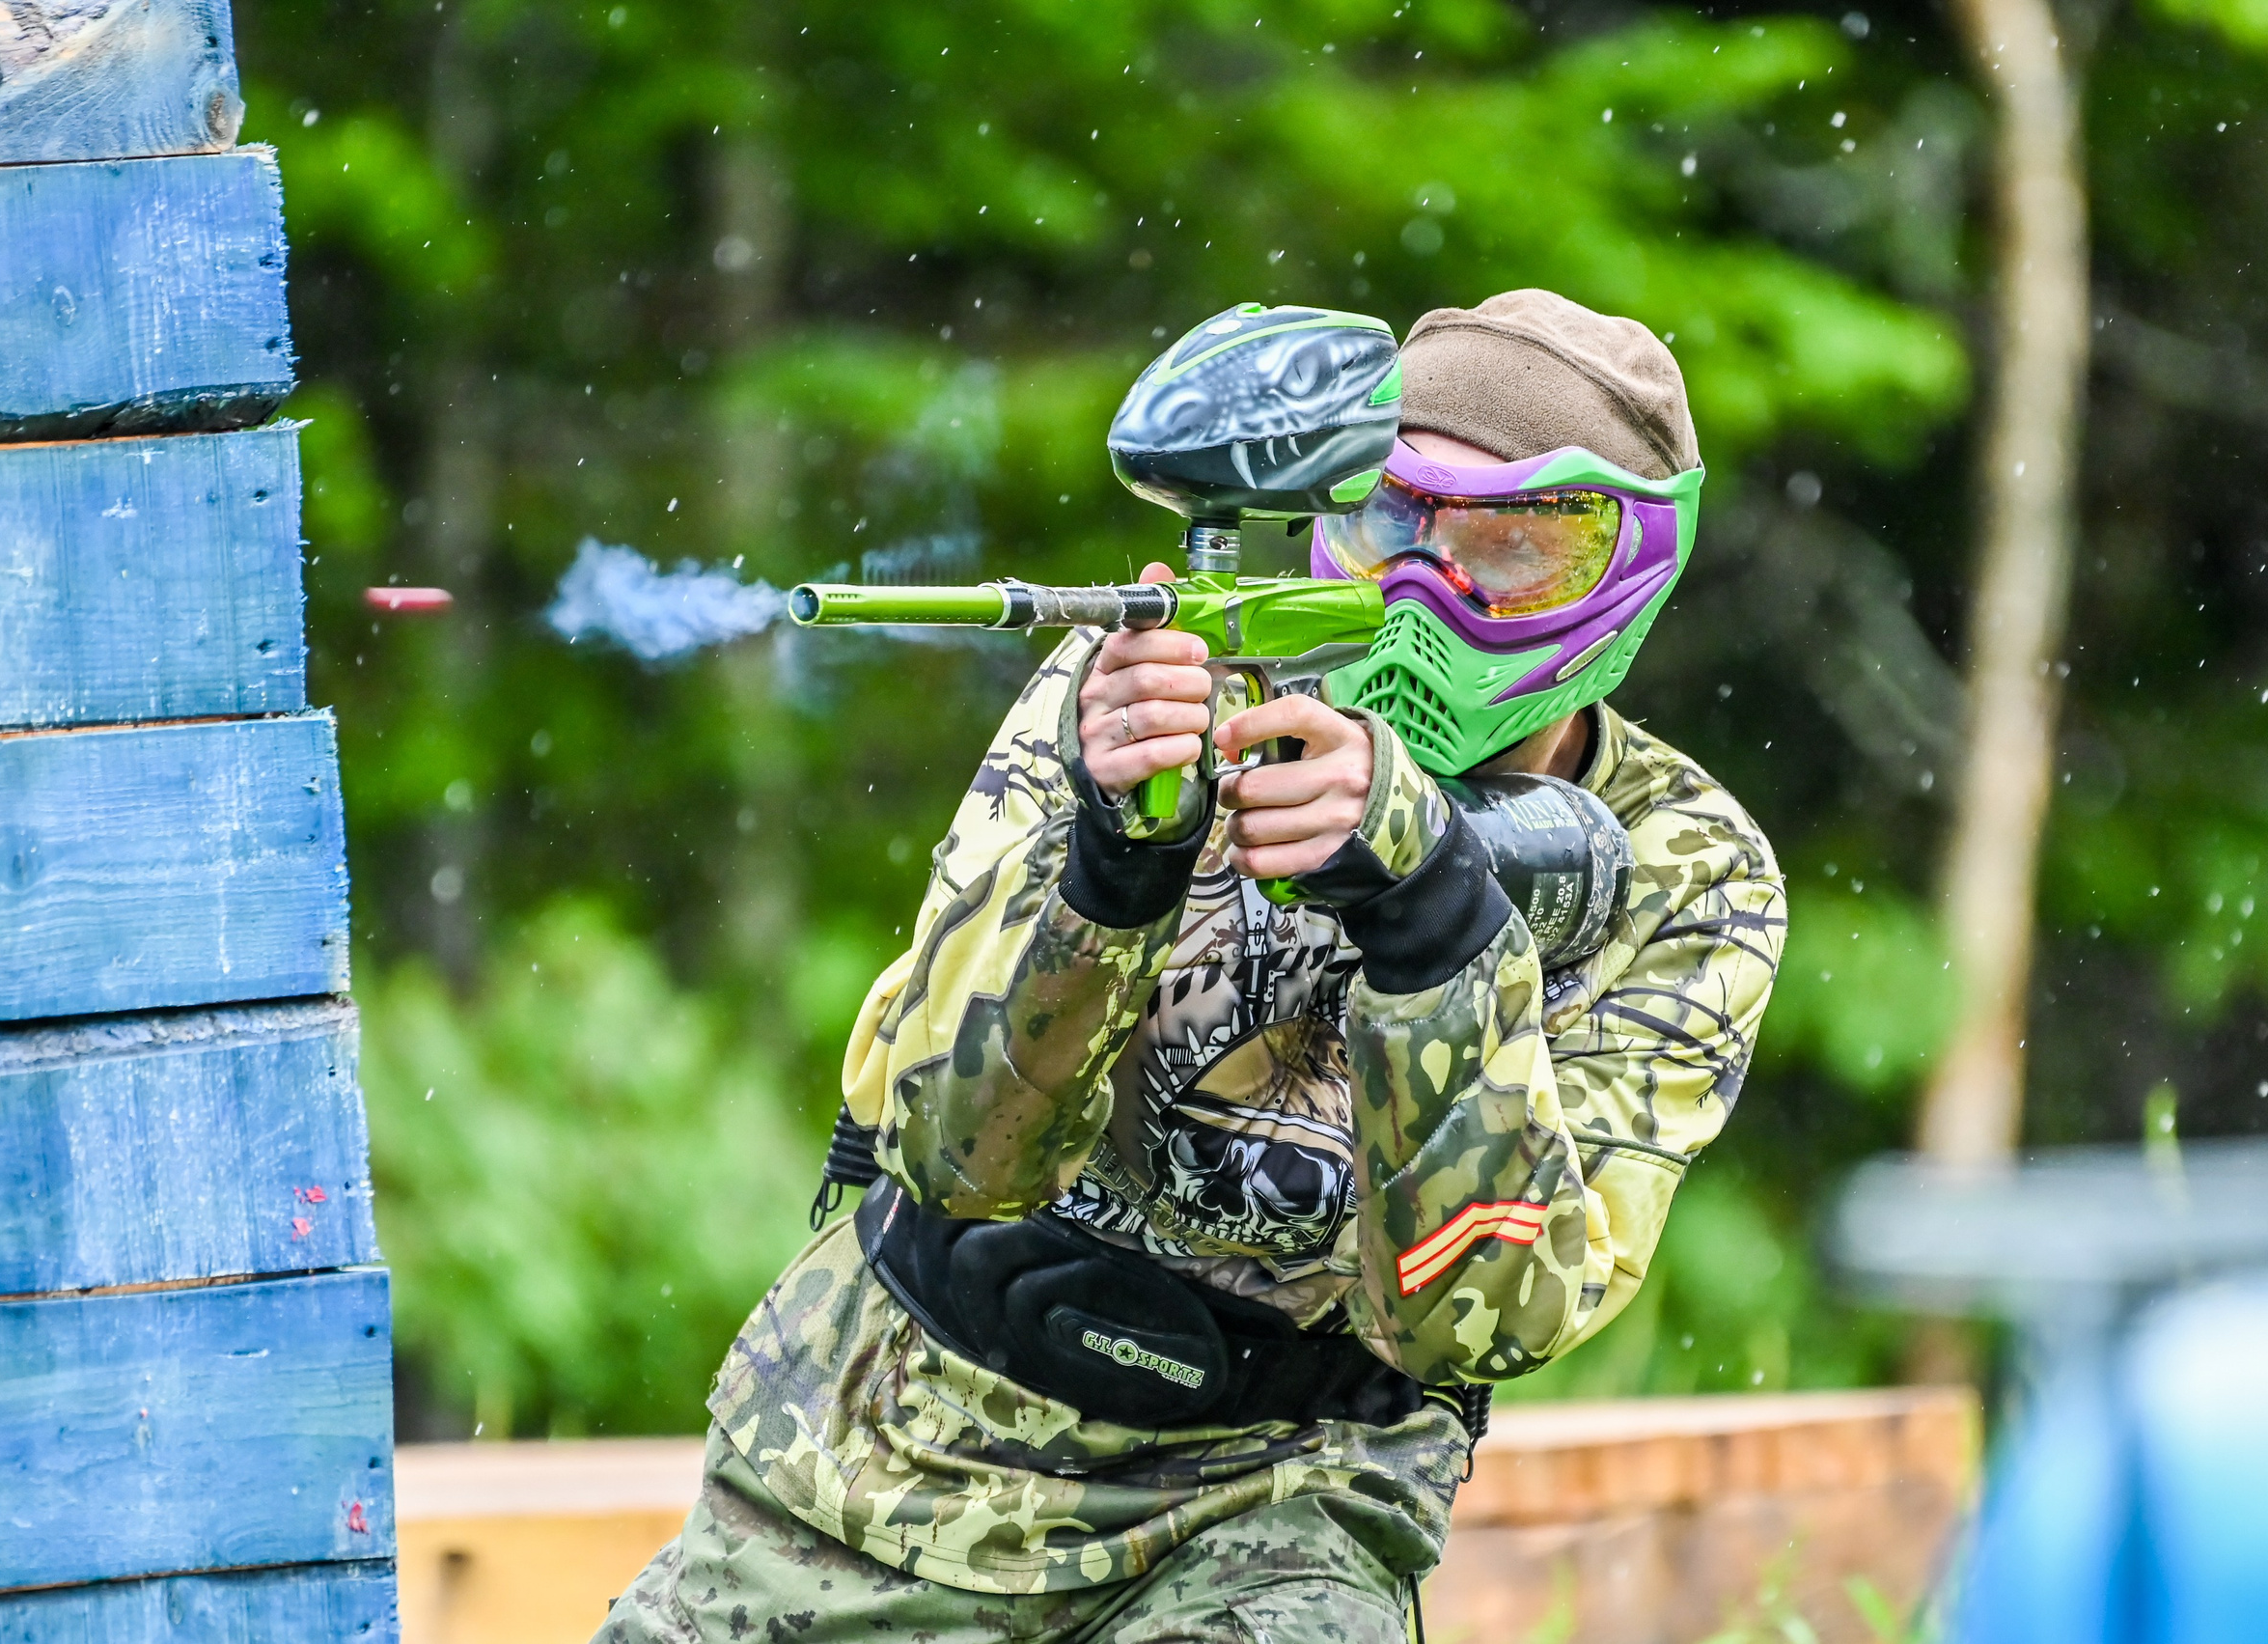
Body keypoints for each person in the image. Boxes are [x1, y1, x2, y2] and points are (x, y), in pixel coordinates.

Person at [598, 290, 1788, 1642]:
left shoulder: (1691, 870)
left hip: (1280, 1496)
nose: (1425, 587)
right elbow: (948, 1150)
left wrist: (1437, 928)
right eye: (1389, 519)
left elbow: (1484, 1323)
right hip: (889, 1443)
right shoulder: (1157, 684)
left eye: (1512, 544)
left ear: (1626, 572)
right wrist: (1116, 868)